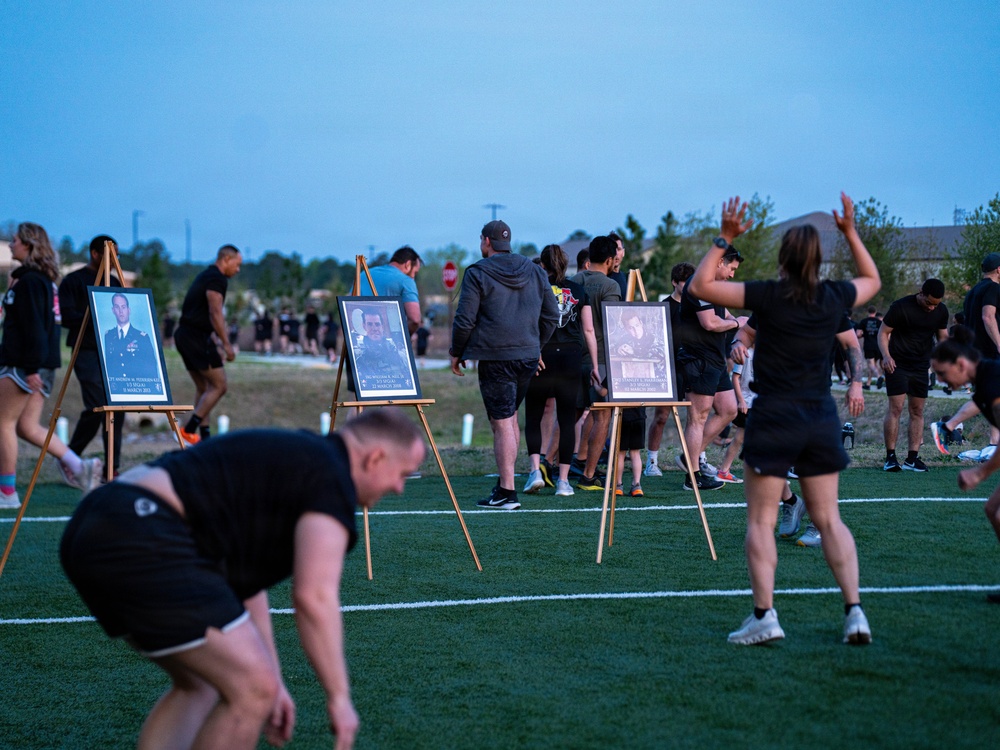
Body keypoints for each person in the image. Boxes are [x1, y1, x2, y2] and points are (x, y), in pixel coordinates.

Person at [60, 408, 425, 749]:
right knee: (251, 689)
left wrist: (276, 679)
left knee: (203, 683)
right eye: (402, 474)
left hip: (97, 523)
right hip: (141, 530)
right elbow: (314, 597)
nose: (399, 488)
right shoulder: (331, 477)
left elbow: (244, 591)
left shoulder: (306, 461)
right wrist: (340, 698)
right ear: (375, 457)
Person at [688, 193, 880, 646]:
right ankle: (854, 613)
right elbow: (872, 277)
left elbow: (699, 286)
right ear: (818, 259)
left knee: (760, 522)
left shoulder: (767, 295)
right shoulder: (834, 295)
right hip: (818, 417)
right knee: (830, 520)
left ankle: (765, 616)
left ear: (782, 259)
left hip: (775, 417)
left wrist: (726, 237)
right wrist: (850, 231)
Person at [450, 220, 559, 510]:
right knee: (509, 416)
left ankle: (507, 493)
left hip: (496, 357)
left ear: (486, 241)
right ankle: (505, 485)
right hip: (526, 357)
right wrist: (536, 346)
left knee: (501, 423)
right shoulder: (535, 271)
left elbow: (465, 319)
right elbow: (552, 315)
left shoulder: (477, 272)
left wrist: (456, 351)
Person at [1, 222, 102, 509]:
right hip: (39, 363)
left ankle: (7, 492)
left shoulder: (32, 282)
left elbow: (35, 328)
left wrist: (31, 368)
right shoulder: (37, 280)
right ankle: (79, 466)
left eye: (16, 240)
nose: (10, 244)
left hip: (25, 365)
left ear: (30, 245)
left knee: (3, 423)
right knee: (27, 426)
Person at [521, 245, 599, 498]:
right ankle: (563, 481)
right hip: (570, 357)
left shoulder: (534, 287)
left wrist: (533, 353)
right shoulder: (578, 289)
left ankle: (535, 470)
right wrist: (596, 365)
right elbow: (588, 331)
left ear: (541, 265)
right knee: (567, 420)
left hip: (542, 355)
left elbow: (529, 325)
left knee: (533, 415)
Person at [930, 331, 1000, 603]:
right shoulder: (983, 383)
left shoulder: (992, 382)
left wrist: (979, 472)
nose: (940, 381)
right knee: (993, 509)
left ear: (960, 364)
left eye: (941, 373)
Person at [675, 243, 744, 491]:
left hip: (714, 359)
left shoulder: (714, 287)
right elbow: (711, 324)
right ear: (720, 262)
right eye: (731, 268)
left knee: (729, 409)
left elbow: (725, 317)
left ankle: (689, 457)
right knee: (698, 418)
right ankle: (692, 476)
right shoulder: (699, 284)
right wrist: (737, 324)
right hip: (698, 359)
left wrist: (742, 326)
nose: (732, 275)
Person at [58, 234, 125, 477]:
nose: (115, 259)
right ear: (95, 254)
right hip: (84, 350)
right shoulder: (73, 281)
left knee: (117, 406)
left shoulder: (115, 282)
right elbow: (65, 316)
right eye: (110, 254)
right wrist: (93, 316)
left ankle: (112, 468)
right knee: (99, 404)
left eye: (117, 254)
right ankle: (70, 457)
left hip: (113, 351)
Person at [174, 244, 243, 444]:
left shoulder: (206, 275)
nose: (237, 270)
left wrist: (216, 343)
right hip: (196, 337)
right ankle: (188, 430)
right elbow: (215, 312)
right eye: (237, 265)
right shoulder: (216, 279)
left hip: (185, 335)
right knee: (220, 385)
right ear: (226, 259)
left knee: (205, 388)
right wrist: (227, 344)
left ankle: (203, 439)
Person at [877, 279, 948, 472]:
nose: (932, 308)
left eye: (936, 304)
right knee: (896, 409)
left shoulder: (941, 311)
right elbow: (882, 333)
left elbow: (943, 339)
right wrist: (886, 356)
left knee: (917, 411)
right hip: (897, 364)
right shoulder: (900, 307)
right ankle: (890, 457)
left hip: (921, 366)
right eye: (929, 303)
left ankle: (912, 458)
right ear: (921, 293)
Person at [569, 236, 623, 490]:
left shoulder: (573, 282)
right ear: (611, 259)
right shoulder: (610, 286)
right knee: (602, 416)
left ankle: (553, 466)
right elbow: (613, 325)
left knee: (570, 414)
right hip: (599, 359)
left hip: (571, 356)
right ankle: (589, 474)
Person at [645, 262, 695, 477]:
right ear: (675, 282)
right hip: (668, 368)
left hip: (692, 366)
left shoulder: (696, 306)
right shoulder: (664, 306)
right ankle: (651, 461)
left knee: (696, 417)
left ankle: (696, 459)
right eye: (684, 281)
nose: (688, 285)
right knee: (662, 416)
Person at [103, 292, 161, 394]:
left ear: (129, 310)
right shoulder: (108, 336)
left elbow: (151, 366)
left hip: (137, 389)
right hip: (116, 390)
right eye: (117, 307)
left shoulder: (142, 337)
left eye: (123, 307)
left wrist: (153, 391)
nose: (121, 311)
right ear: (113, 310)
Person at [360, 246, 423, 334]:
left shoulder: (363, 275)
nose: (413, 277)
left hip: (361, 340)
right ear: (408, 264)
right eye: (414, 272)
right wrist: (402, 338)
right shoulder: (406, 281)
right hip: (389, 341)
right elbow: (415, 319)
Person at [354, 308, 411, 386]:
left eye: (377, 324)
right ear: (364, 326)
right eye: (370, 324)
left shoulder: (398, 354)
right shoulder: (358, 357)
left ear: (382, 326)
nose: (374, 329)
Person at [856, 306, 883, 389]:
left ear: (868, 312)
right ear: (875, 312)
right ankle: (868, 384)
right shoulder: (879, 322)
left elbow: (858, 334)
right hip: (878, 346)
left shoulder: (863, 322)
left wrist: (865, 334)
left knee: (870, 364)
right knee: (873, 365)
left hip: (869, 345)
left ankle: (879, 377)